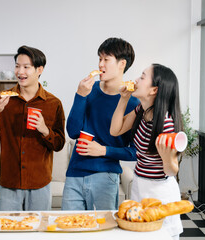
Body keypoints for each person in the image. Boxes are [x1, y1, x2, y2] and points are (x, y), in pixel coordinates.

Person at [0, 45, 65, 211]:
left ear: (39, 70)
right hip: (9, 183)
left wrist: (44, 129)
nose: (20, 72)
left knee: (39, 233)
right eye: (17, 66)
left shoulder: (53, 104)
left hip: (40, 183)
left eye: (26, 67)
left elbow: (59, 144)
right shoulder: (4, 100)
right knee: (6, 233)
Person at [62, 37, 139, 211]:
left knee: (103, 233)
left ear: (122, 64)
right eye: (99, 59)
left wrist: (103, 150)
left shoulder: (133, 103)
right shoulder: (89, 90)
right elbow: (73, 132)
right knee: (68, 231)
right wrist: (80, 96)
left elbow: (136, 152)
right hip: (75, 172)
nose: (100, 65)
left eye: (106, 59)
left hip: (107, 176)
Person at [110, 64, 183, 239]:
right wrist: (123, 98)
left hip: (160, 193)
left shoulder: (166, 123)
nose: (136, 80)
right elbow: (115, 130)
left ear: (154, 90)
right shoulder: (142, 111)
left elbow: (171, 170)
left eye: (142, 77)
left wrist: (167, 157)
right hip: (139, 186)